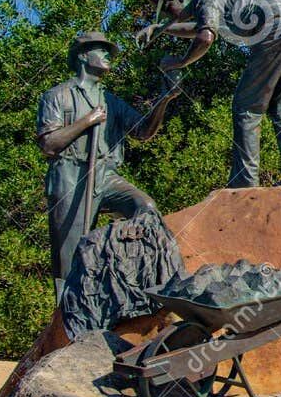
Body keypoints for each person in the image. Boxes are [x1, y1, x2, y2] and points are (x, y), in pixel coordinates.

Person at [140, 0, 281, 189]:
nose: (170, 18)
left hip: (279, 31)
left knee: (246, 108)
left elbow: (205, 36)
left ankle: (244, 182)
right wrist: (161, 29)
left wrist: (180, 62)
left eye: (168, 11)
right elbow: (200, 26)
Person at [37, 32, 178, 301]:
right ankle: (67, 312)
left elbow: (143, 131)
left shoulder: (111, 101)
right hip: (70, 175)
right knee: (70, 257)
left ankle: (137, 281)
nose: (107, 56)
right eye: (100, 50)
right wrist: (86, 121)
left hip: (105, 173)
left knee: (145, 209)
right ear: (82, 56)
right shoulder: (58, 96)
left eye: (108, 51)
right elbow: (49, 145)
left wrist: (165, 99)